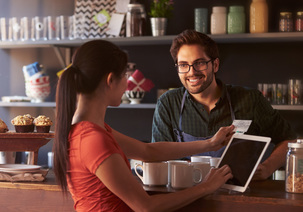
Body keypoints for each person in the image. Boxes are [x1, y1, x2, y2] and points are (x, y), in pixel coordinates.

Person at [53, 39, 235, 211]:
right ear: (110, 80)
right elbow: (146, 207)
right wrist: (205, 187)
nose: (127, 83)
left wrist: (210, 143)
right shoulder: (93, 138)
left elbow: (148, 151)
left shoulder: (87, 129)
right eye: (125, 75)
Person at [151, 29, 297, 180]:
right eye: (183, 65)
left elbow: (289, 140)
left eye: (199, 63)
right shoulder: (168, 103)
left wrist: (267, 168)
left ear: (215, 65)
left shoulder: (250, 99)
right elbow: (157, 155)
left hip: (240, 198)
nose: (191, 72)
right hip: (188, 196)